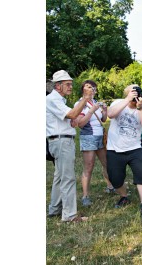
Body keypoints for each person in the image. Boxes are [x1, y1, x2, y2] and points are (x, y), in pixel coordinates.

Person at [46, 70, 93, 222]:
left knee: (59, 177)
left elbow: (70, 117)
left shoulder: (59, 100)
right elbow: (73, 114)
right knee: (68, 178)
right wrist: (85, 99)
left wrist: (70, 121)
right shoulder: (53, 99)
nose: (71, 87)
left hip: (59, 140)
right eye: (67, 84)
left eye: (71, 84)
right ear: (57, 86)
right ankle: (70, 215)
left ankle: (54, 209)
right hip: (62, 141)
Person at [106, 84, 142, 218]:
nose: (135, 94)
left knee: (141, 174)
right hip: (114, 149)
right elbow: (110, 114)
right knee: (115, 179)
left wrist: (140, 108)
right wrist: (127, 100)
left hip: (134, 149)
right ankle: (124, 196)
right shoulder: (118, 103)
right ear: (127, 93)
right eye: (133, 91)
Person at [72, 80, 115, 207]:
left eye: (93, 87)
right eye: (88, 86)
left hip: (100, 136)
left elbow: (102, 119)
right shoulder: (80, 104)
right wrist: (91, 111)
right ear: (83, 89)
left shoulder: (95, 102)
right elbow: (80, 124)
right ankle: (85, 196)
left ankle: (110, 186)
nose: (92, 89)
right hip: (88, 137)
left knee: (106, 163)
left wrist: (105, 111)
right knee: (89, 167)